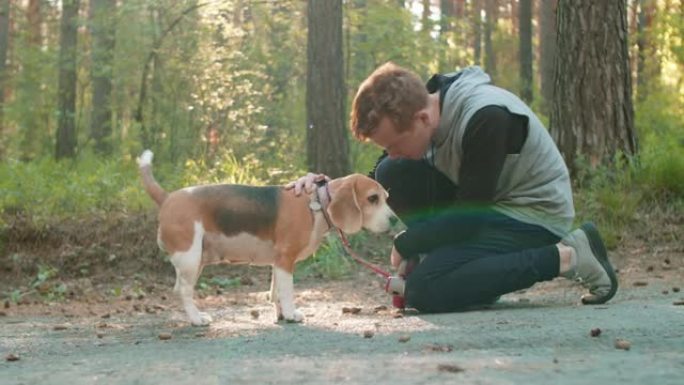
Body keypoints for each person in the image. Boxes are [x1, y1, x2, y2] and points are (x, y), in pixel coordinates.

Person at [287, 62, 618, 313]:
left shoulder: (486, 117)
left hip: (533, 215)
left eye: (395, 143)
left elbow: (468, 219)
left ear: (422, 119)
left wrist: (409, 242)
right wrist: (327, 188)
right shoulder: (426, 107)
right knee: (391, 172)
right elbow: (374, 179)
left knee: (424, 291)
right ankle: (472, 277)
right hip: (488, 209)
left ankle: (568, 255)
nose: (392, 152)